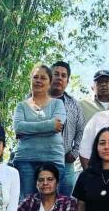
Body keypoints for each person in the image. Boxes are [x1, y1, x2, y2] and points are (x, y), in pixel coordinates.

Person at [12, 63, 68, 199]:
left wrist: (28, 128)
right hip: (25, 159)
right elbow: (18, 128)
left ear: (50, 83)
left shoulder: (57, 104)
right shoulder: (21, 106)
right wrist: (49, 125)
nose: (38, 81)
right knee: (28, 202)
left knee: (50, 203)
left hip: (52, 159)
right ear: (30, 80)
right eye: (35, 77)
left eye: (43, 78)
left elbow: (58, 123)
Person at [50, 61, 86, 195]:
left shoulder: (74, 104)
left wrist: (75, 152)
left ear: (67, 81)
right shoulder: (36, 98)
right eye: (56, 74)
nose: (60, 78)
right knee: (38, 200)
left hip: (66, 161)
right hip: (40, 159)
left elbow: (81, 129)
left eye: (63, 76)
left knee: (65, 200)